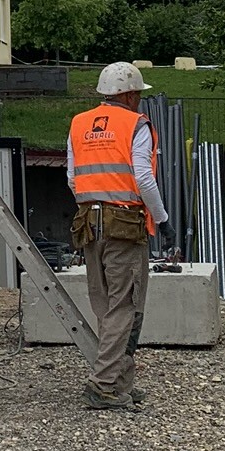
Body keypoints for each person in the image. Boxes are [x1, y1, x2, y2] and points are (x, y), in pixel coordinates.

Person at [67, 62, 170, 410]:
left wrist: (94, 204)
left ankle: (120, 380)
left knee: (105, 304)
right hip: (123, 225)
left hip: (88, 224)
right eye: (138, 94)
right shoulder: (134, 124)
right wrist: (162, 218)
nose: (140, 100)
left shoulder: (79, 124)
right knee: (125, 306)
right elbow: (142, 177)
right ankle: (104, 384)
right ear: (127, 94)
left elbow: (72, 178)